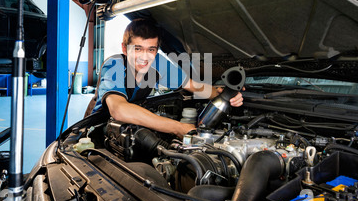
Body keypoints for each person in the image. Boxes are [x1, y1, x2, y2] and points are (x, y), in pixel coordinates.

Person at [87, 18, 243, 138]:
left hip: (131, 126)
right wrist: (178, 128)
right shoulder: (114, 65)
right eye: (138, 49)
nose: (144, 57)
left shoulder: (159, 64)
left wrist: (225, 94)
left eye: (151, 49)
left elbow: (195, 86)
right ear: (124, 49)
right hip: (98, 130)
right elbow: (119, 110)